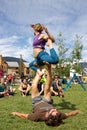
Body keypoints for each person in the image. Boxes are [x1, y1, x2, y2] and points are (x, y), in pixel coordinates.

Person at [12, 64, 80, 126]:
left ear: (48, 115)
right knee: (47, 88)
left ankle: (39, 73)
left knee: (33, 86)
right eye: (55, 110)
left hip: (36, 103)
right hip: (47, 102)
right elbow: (69, 114)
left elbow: (24, 116)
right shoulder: (58, 115)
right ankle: (49, 68)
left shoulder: (37, 116)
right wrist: (78, 111)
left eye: (53, 111)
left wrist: (15, 113)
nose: (56, 109)